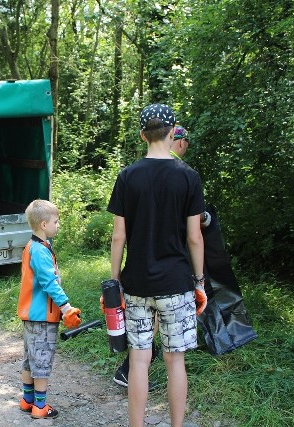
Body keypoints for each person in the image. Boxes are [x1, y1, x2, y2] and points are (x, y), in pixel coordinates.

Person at [107, 104, 206, 427]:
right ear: (173, 130)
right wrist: (200, 280)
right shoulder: (188, 177)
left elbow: (118, 237)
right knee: (175, 361)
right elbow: (194, 237)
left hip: (135, 283)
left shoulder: (127, 176)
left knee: (138, 359)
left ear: (142, 135)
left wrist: (115, 282)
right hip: (176, 283)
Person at [16, 199, 82, 420]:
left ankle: (27, 400)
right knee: (41, 362)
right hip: (42, 317)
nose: (58, 225)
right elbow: (49, 282)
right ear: (44, 224)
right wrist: (66, 307)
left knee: (29, 359)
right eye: (56, 221)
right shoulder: (40, 251)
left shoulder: (32, 246)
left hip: (30, 316)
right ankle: (40, 407)